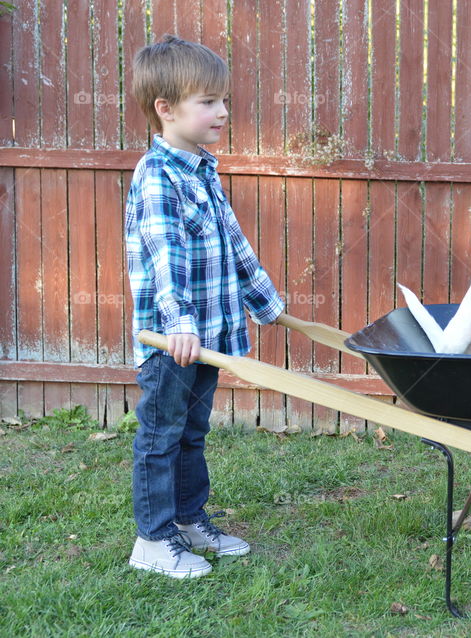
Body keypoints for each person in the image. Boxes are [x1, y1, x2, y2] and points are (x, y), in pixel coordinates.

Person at [124, 35, 285, 578]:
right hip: (173, 341)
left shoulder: (202, 168)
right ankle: (152, 539)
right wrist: (177, 325)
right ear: (165, 110)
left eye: (223, 100)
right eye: (208, 101)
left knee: (192, 433)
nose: (223, 111)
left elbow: (233, 245)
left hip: (209, 337)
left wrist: (268, 306)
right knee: (160, 436)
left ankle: (190, 520)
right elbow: (163, 258)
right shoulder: (157, 176)